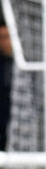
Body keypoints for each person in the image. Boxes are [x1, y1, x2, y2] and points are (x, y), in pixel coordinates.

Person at [0, 19, 13, 152]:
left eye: (7, 37)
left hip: (16, 115)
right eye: (1, 38)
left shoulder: (24, 63)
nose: (4, 42)